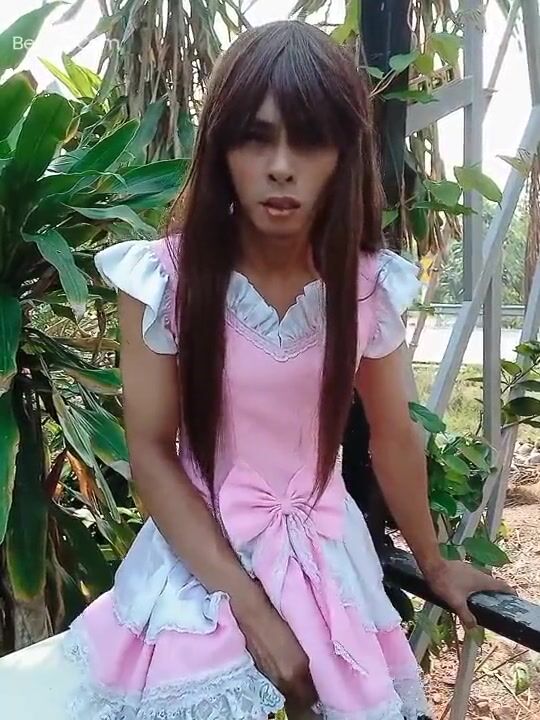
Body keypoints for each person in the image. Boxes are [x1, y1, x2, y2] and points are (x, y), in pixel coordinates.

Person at [14, 19, 512, 720]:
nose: (281, 166)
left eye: (309, 140)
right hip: (199, 567)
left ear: (343, 153)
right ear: (221, 148)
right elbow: (151, 452)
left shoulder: (367, 286)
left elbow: (394, 435)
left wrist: (433, 564)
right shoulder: (163, 281)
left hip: (331, 565)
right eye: (255, 138)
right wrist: (252, 610)